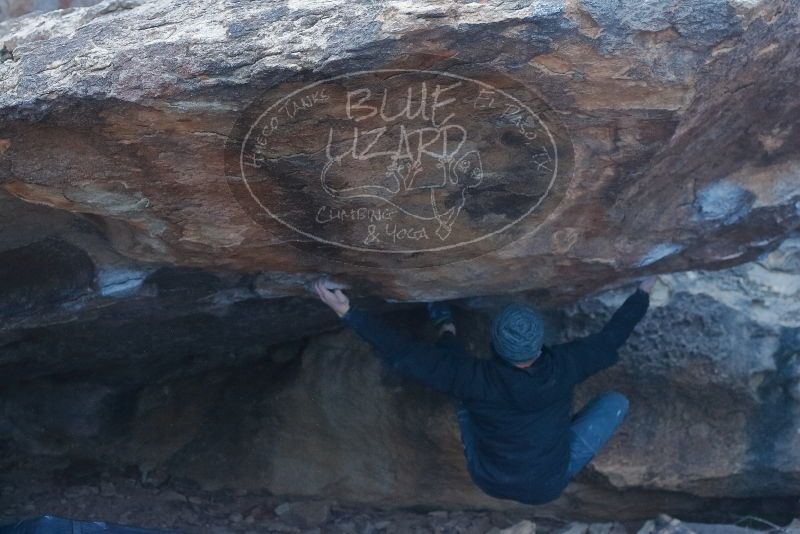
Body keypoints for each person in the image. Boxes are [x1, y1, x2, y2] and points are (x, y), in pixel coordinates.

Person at [313, 277, 654, 505]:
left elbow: (405, 354)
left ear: (495, 343)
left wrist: (348, 312)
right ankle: (549, 439)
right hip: (545, 485)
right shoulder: (567, 366)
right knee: (616, 402)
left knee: (454, 381)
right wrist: (642, 292)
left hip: (489, 477)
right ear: (539, 344)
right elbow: (612, 337)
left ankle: (446, 326)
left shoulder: (473, 378)